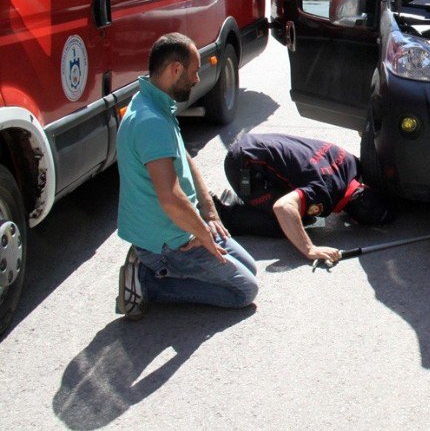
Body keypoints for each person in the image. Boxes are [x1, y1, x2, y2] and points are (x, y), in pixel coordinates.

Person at [116, 33, 259, 320]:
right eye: (194, 72)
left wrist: (209, 210)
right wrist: (201, 233)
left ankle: (156, 267)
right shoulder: (151, 122)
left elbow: (185, 156)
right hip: (169, 241)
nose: (197, 80)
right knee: (244, 290)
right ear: (176, 70)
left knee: (250, 267)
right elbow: (169, 198)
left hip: (181, 225)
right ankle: (148, 280)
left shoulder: (153, 102)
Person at [211, 133, 394, 264]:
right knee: (290, 223)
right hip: (244, 167)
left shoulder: (351, 163)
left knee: (298, 202)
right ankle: (225, 214)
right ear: (353, 218)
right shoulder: (324, 193)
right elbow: (283, 208)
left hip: (252, 143)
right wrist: (309, 249)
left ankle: (245, 201)